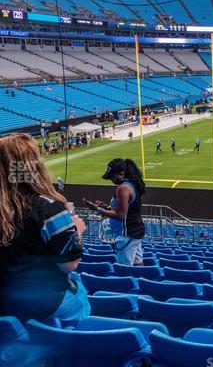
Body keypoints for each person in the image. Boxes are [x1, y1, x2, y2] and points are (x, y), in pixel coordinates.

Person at [0, 134, 89, 324]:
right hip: (44, 304)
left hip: (6, 306)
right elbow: (68, 264)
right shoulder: (46, 207)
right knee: (79, 290)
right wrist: (78, 231)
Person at [89, 158, 146, 266]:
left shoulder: (123, 188)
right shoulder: (132, 184)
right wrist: (106, 207)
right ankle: (141, 282)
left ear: (121, 173)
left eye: (112, 176)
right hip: (134, 232)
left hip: (126, 234)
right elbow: (124, 210)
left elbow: (120, 215)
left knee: (124, 270)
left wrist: (98, 209)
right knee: (138, 265)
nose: (111, 180)